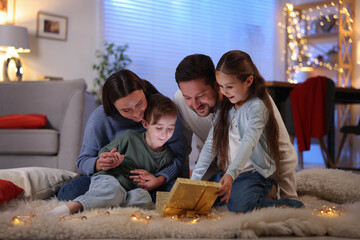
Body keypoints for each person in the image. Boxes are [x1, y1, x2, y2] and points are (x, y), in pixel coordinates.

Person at [189, 50, 304, 213]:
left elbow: (248, 144)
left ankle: (284, 204)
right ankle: (237, 192)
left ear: (249, 80)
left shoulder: (257, 107)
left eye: (229, 87)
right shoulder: (225, 106)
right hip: (231, 174)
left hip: (255, 175)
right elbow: (210, 144)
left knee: (239, 206)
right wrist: (194, 182)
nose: (224, 92)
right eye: (220, 86)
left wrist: (230, 174)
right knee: (202, 200)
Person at [57, 69, 185, 202]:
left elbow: (178, 157)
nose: (136, 114)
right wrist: (99, 164)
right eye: (126, 110)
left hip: (151, 181)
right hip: (111, 179)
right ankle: (122, 198)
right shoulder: (100, 118)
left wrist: (159, 179)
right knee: (70, 194)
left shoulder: (164, 111)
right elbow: (83, 160)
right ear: (113, 106)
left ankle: (122, 200)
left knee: (177, 196)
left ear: (143, 90)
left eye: (139, 104)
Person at [49, 94, 178, 215]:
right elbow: (103, 153)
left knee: (144, 198)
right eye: (159, 128)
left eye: (170, 129)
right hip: (108, 179)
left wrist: (156, 180)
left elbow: (170, 170)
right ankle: (72, 207)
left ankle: (109, 209)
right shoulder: (129, 137)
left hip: (128, 191)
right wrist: (110, 159)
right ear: (145, 124)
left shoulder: (166, 156)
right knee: (114, 190)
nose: (164, 134)